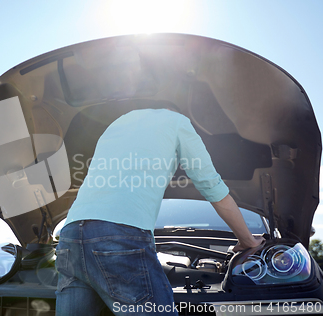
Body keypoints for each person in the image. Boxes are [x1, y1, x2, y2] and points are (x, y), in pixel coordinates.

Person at [55, 106, 264, 316]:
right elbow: (212, 186)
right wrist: (247, 240)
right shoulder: (178, 122)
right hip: (118, 237)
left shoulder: (118, 123)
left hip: (71, 235)